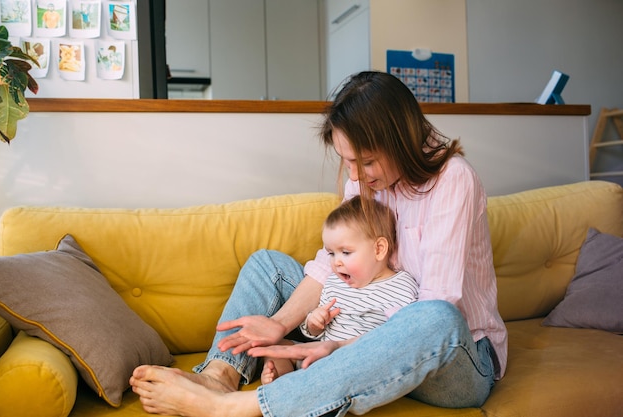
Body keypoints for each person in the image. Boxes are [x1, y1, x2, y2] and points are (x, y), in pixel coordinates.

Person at [130, 71, 508, 417]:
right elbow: (332, 263)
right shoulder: (364, 182)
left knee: (435, 316)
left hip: (455, 358)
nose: (357, 175)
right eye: (348, 162)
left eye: (368, 162)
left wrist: (340, 348)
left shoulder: (453, 179)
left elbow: (434, 308)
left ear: (401, 141)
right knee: (269, 266)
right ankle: (220, 376)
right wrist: (279, 323)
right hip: (365, 322)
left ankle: (233, 408)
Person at [261, 195, 419, 384]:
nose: (336, 262)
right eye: (331, 253)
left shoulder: (401, 286)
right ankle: (282, 383)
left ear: (379, 249)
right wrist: (314, 322)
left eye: (345, 252)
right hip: (318, 357)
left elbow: (400, 336)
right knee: (275, 347)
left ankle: (293, 389)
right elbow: (314, 334)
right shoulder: (335, 282)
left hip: (355, 366)